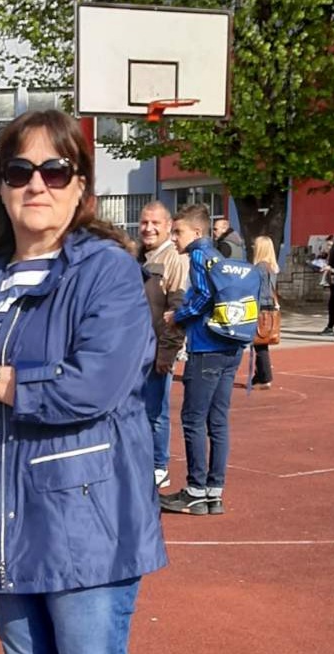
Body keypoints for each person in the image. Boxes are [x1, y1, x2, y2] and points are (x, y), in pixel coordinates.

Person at [0, 109, 167, 653]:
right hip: (6, 518)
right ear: (0, 187)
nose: (36, 185)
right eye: (19, 171)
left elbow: (93, 385)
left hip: (87, 526)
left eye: (55, 171)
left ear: (80, 188)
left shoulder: (107, 270)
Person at [161, 204, 245, 516]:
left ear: (197, 232)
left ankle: (195, 489)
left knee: (193, 419)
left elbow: (203, 298)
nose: (173, 238)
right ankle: (214, 492)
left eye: (178, 232)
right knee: (218, 421)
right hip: (230, 347)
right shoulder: (220, 258)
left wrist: (177, 316)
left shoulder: (198, 255)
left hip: (206, 348)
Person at [138, 201, 188, 489]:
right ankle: (141, 462)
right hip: (134, 351)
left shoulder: (174, 259)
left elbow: (177, 311)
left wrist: (167, 353)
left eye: (155, 223)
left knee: (155, 411)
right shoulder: (138, 256)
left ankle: (159, 466)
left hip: (157, 349)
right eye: (144, 222)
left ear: (168, 226)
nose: (149, 228)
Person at [251, 236, 280, 389]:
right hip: (269, 307)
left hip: (260, 307)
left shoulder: (259, 268)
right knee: (261, 343)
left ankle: (265, 376)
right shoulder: (272, 267)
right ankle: (260, 374)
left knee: (260, 343)